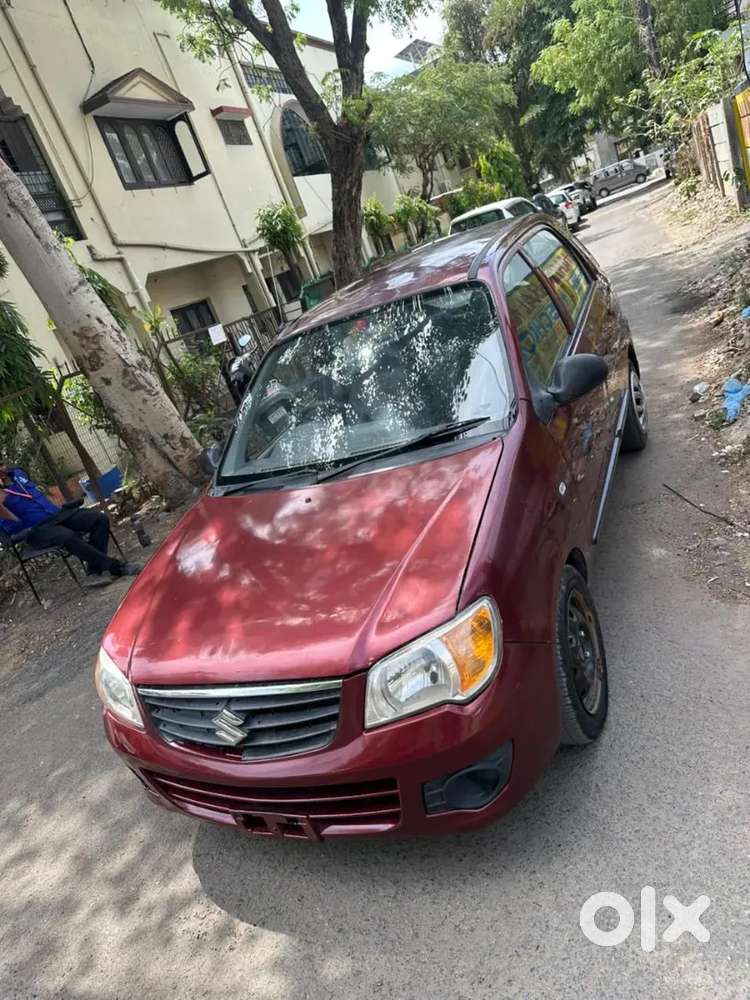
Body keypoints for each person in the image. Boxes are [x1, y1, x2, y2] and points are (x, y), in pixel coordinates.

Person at [0, 465, 141, 588]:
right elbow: (11, 525)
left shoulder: (18, 474)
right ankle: (118, 568)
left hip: (57, 515)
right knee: (68, 536)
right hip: (35, 530)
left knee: (99, 519)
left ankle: (93, 571)